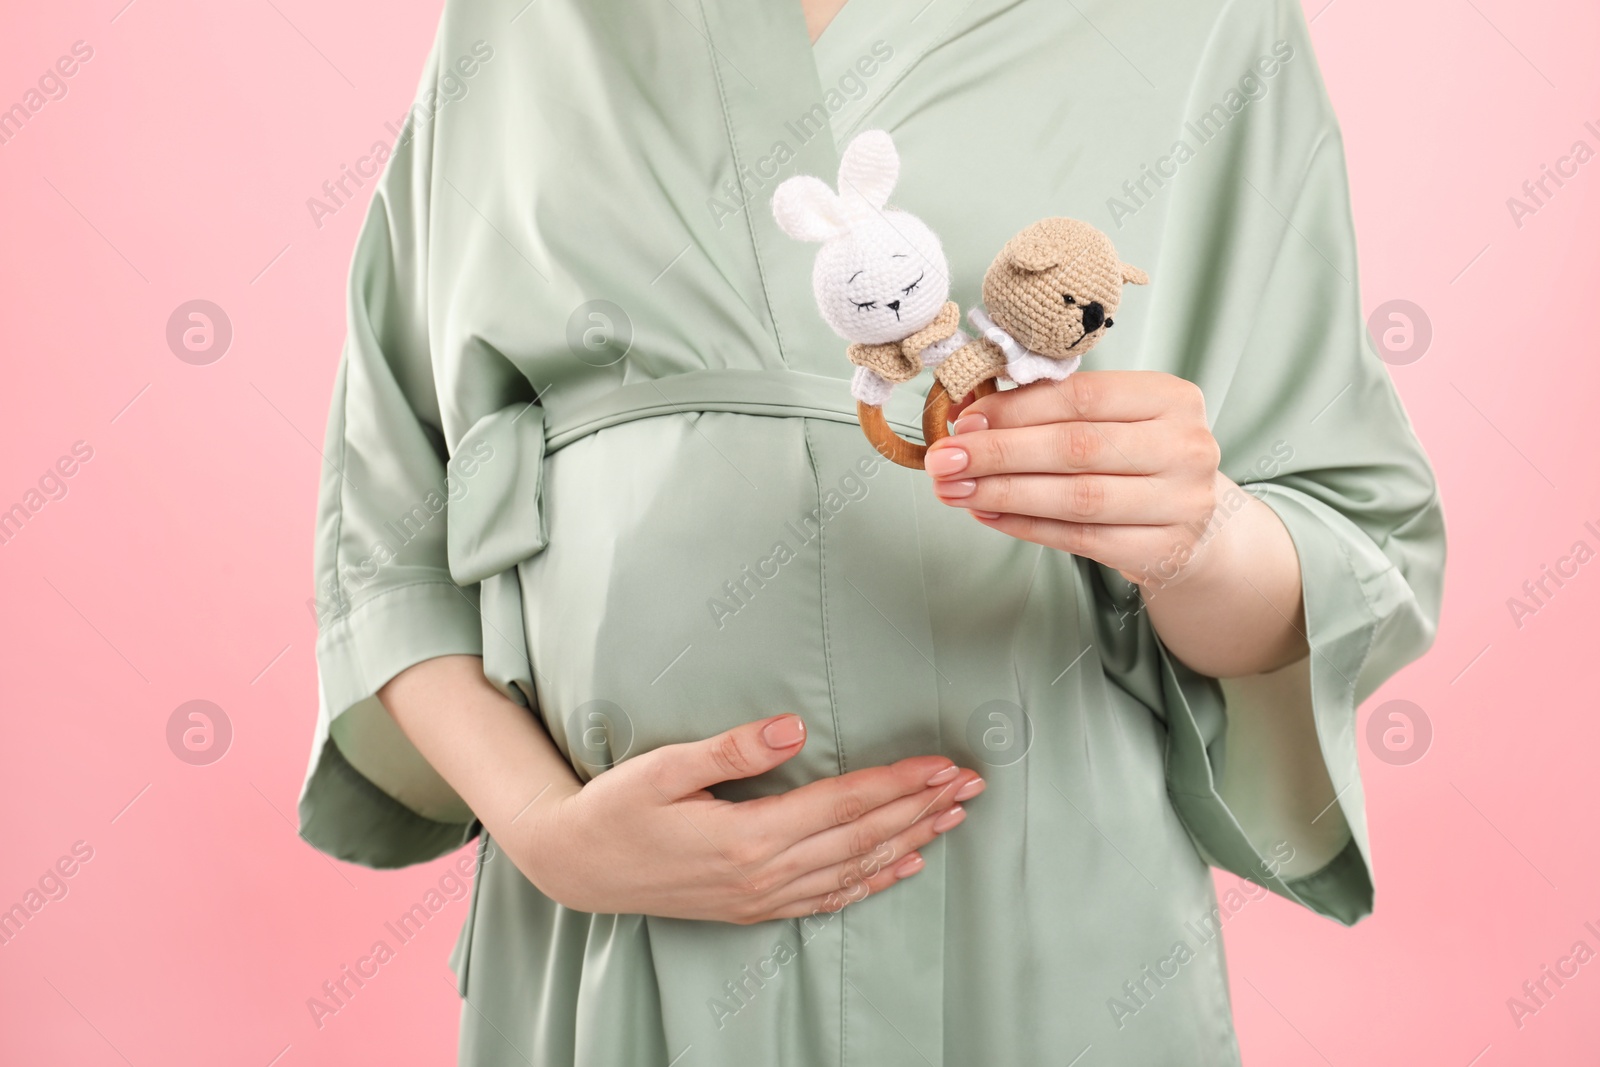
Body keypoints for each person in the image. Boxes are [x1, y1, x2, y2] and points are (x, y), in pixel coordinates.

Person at [296, 0, 1445, 1062]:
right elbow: (388, 526)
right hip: (617, 941)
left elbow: (1346, 540)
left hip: (1043, 919)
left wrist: (1197, 531)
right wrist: (546, 826)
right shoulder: (517, 23)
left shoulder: (1203, 23)